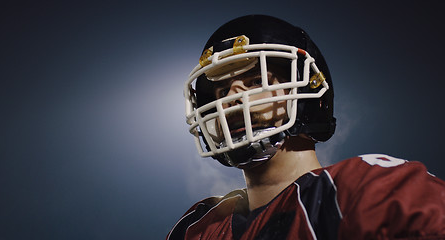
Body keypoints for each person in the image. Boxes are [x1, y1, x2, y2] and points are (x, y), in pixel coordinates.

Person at [166, 15, 445, 240]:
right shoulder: (198, 227)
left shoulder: (364, 190)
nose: (232, 98)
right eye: (222, 90)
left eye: (254, 82)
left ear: (305, 93)